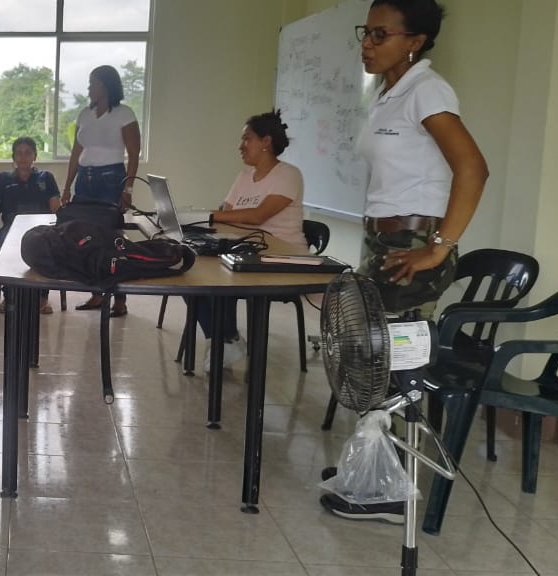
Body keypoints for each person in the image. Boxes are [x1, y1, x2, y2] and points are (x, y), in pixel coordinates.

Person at [321, 0, 488, 525]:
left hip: (412, 244)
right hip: (384, 241)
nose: (366, 43)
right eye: (365, 32)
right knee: (373, 357)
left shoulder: (426, 90)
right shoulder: (386, 94)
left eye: (380, 34)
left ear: (414, 41)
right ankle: (373, 472)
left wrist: (439, 246)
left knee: (391, 362)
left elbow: (473, 168)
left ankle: (390, 492)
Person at [195, 110, 306, 371]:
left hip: (283, 257)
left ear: (266, 142)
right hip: (248, 251)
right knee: (192, 272)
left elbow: (257, 216)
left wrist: (205, 215)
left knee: (224, 277)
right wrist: (205, 217)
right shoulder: (244, 176)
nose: (240, 146)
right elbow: (226, 216)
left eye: (247, 139)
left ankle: (227, 341)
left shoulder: (288, 174)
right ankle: (226, 339)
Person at [62, 65, 142, 317]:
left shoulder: (124, 114)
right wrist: (67, 186)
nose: (89, 88)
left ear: (106, 85)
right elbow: (76, 153)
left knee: (111, 238)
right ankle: (96, 293)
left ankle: (119, 298)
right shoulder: (84, 115)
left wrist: (128, 188)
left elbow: (133, 154)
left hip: (111, 179)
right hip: (85, 181)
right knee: (86, 237)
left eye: (93, 83)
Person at [0, 137, 61, 314]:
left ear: (35, 156)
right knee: (5, 242)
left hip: (41, 229)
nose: (23, 157)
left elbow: (56, 207)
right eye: (19, 153)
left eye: (28, 153)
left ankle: (42, 297)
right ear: (13, 157)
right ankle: (10, 296)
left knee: (46, 245)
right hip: (11, 230)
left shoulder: (46, 178)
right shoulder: (3, 179)